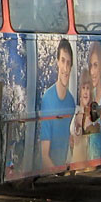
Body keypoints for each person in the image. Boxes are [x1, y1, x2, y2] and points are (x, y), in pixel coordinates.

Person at [39, 38, 75, 169]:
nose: (65, 68)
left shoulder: (71, 102)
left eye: (69, 63)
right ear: (57, 63)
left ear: (71, 67)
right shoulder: (48, 99)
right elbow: (44, 156)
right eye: (63, 61)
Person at [87, 41, 101, 159]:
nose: (92, 72)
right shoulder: (92, 94)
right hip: (90, 155)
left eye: (95, 65)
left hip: (99, 154)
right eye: (91, 65)